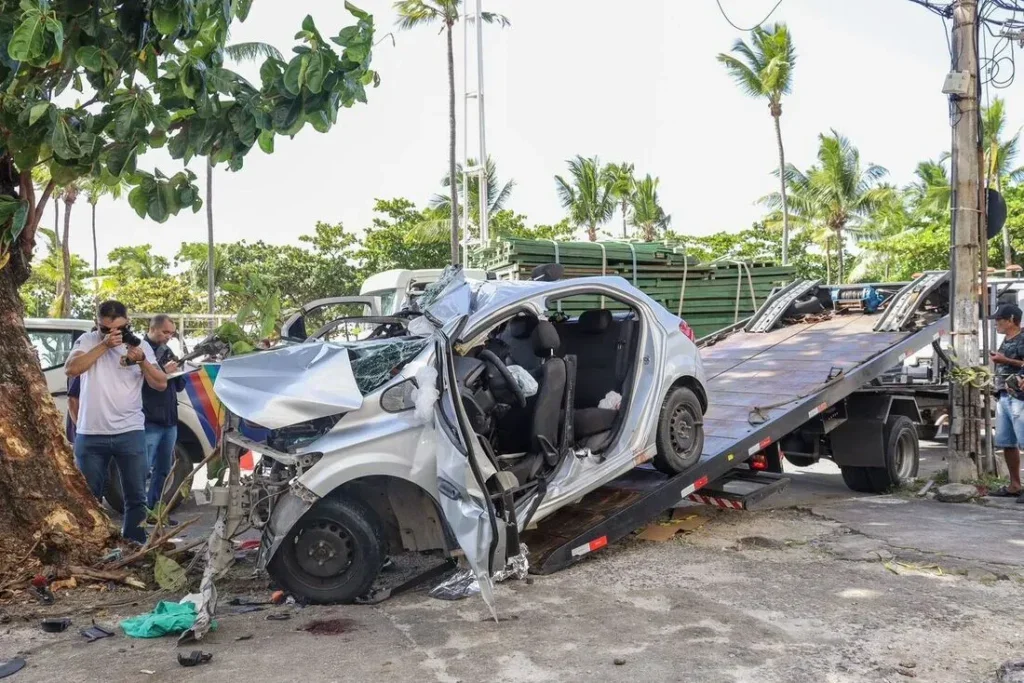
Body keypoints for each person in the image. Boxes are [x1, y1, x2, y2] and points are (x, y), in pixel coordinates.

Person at [65, 300, 167, 544]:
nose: (114, 334)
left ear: (128, 323)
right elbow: (71, 369)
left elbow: (161, 383)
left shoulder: (140, 345)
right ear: (97, 324)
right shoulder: (88, 341)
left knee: (136, 497)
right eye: (105, 329)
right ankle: (93, 545)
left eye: (120, 329)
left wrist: (142, 361)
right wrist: (104, 345)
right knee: (88, 498)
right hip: (91, 432)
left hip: (130, 431)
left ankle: (134, 544)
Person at [142, 315, 186, 522]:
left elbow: (179, 385)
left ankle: (155, 511)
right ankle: (139, 512)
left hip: (169, 418)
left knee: (164, 469)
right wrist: (162, 371)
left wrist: (179, 370)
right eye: (165, 332)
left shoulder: (167, 350)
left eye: (171, 333)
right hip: (149, 418)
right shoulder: (140, 350)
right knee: (143, 469)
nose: (168, 336)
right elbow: (139, 381)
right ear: (153, 329)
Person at [988, 302, 1024, 502]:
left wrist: (1005, 360)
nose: (996, 324)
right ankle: (1015, 485)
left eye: (999, 320)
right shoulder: (1007, 339)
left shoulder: (1023, 337)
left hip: (1020, 397)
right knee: (1007, 442)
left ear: (1011, 320)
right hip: (1003, 394)